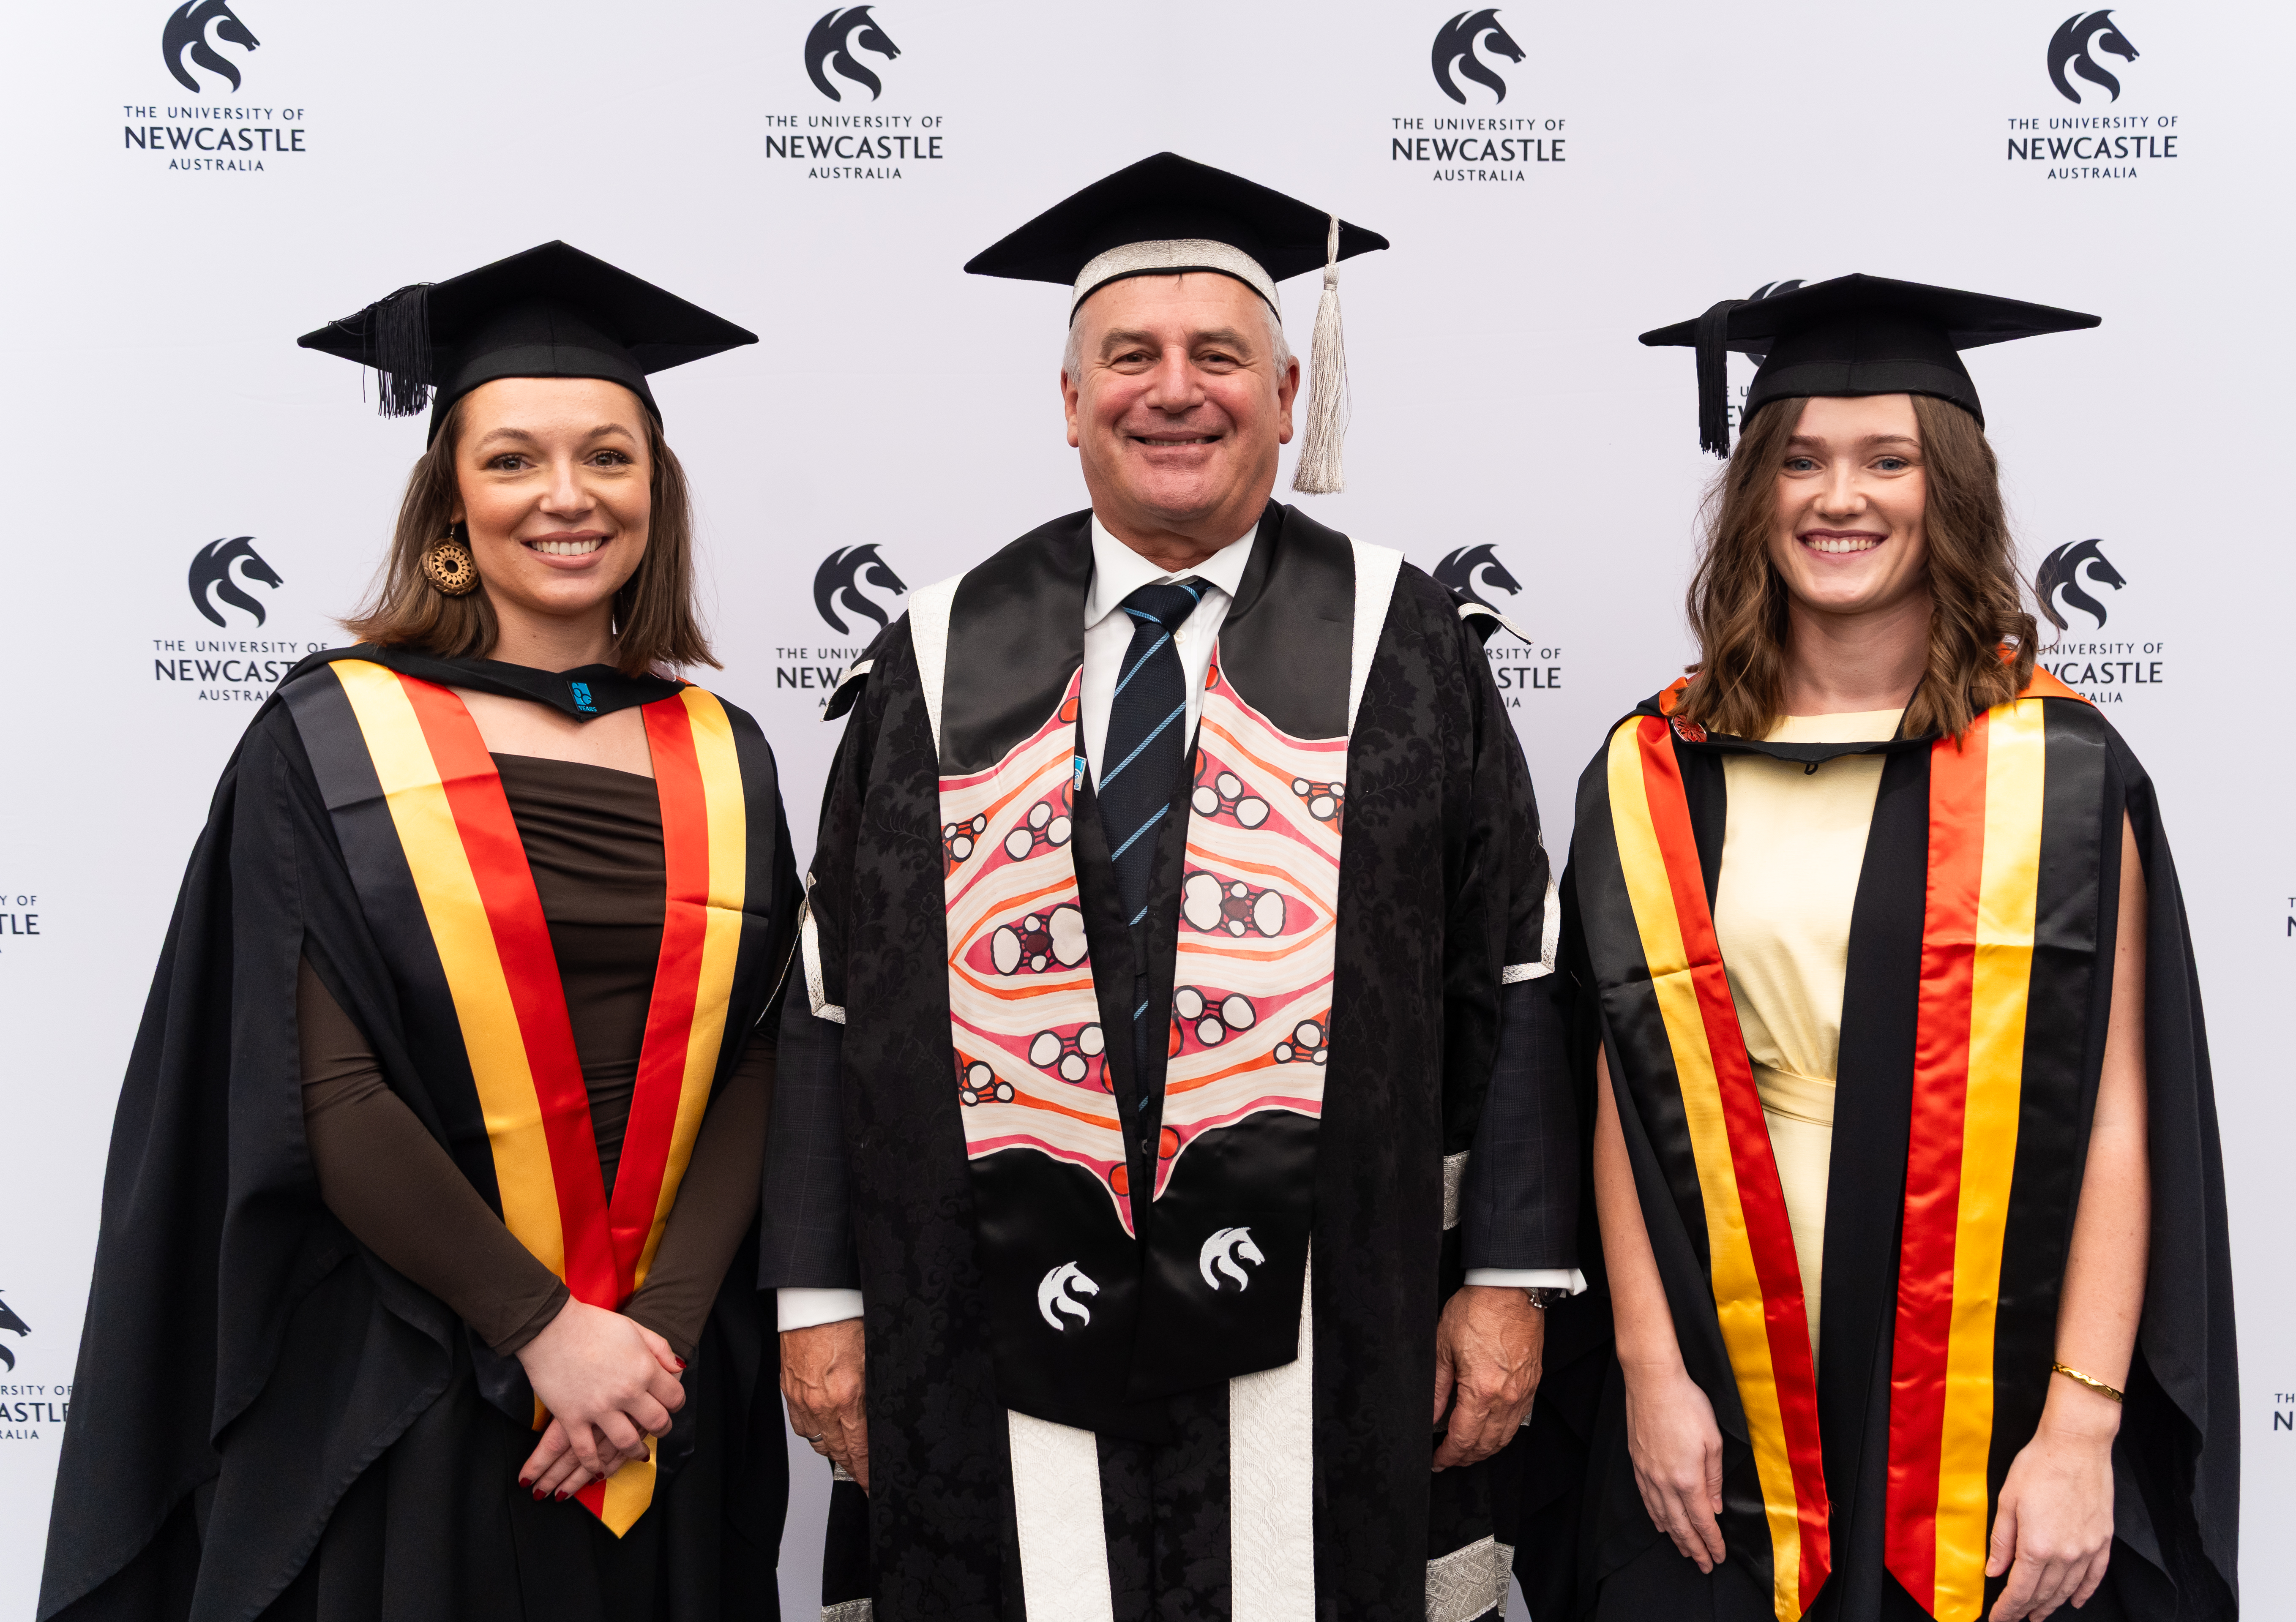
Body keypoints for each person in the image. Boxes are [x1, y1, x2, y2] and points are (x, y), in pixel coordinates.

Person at [759, 152, 1583, 1621]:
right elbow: (832, 995)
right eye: (1128, 357)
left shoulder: (1407, 645)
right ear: (1069, 403)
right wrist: (821, 1301)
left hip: (1334, 1307)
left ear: (1284, 391)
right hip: (991, 1298)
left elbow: (1516, 970)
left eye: (1220, 357)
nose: (1174, 391)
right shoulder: (937, 654)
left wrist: (1509, 1274)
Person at [40, 242, 797, 1622]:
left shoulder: (724, 751)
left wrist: (655, 1349)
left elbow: (762, 1061)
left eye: (608, 458)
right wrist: (541, 1330)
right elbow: (315, 1083)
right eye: (514, 459)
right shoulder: (331, 736)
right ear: (450, 494)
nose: (566, 497)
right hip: (415, 1376)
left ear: (656, 494)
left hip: (650, 1401)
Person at [1517, 277, 2236, 1622]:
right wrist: (1649, 1372)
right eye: (1799, 461)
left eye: (1886, 460)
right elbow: (1621, 1086)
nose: (1838, 498)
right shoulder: (1654, 766)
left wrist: (2082, 1429)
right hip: (1722, 1364)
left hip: (1989, 1370)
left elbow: (2120, 1121)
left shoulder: (2061, 770)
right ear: (1755, 496)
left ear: (1946, 489)